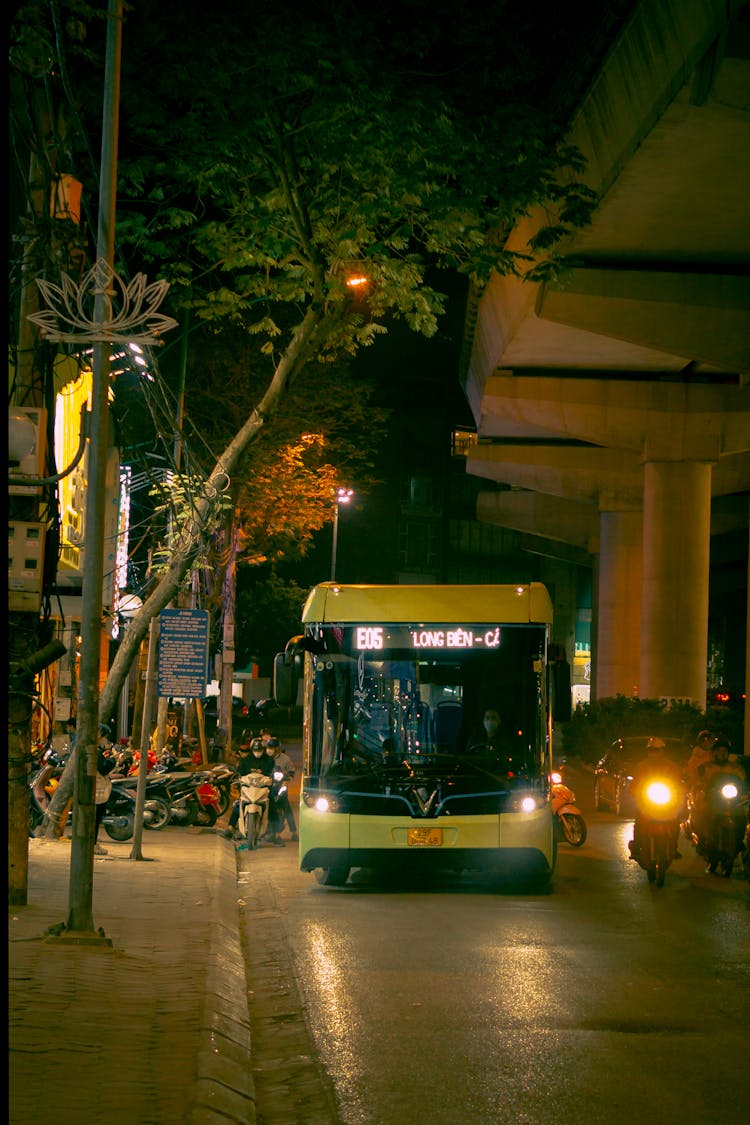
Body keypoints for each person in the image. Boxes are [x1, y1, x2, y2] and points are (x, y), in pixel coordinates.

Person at [628, 737, 684, 861]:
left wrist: (680, 791)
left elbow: (679, 783)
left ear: (663, 751)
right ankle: (637, 846)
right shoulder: (641, 767)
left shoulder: (671, 767)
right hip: (647, 802)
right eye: (651, 750)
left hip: (666, 802)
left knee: (675, 822)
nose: (654, 753)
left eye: (656, 750)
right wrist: (634, 791)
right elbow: (633, 785)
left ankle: (673, 847)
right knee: (639, 822)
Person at [221, 738, 283, 843]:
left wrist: (274, 779)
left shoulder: (269, 760)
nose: (257, 753)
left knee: (272, 805)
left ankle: (277, 834)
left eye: (259, 751)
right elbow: (240, 772)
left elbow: (273, 772)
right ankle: (230, 828)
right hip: (248, 789)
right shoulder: (246, 760)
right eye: (255, 750)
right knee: (238, 804)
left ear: (263, 750)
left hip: (263, 789)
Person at [94, 725, 118, 856]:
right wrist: (113, 760)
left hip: (98, 788)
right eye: (105, 737)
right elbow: (103, 768)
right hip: (98, 789)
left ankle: (93, 843)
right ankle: (92, 844)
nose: (105, 740)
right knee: (95, 818)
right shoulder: (95, 751)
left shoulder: (96, 751)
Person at [267, 737, 298, 841]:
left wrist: (288, 777)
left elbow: (291, 771)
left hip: (280, 786)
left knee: (287, 807)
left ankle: (294, 831)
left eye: (272, 747)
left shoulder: (285, 759)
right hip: (267, 786)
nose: (270, 749)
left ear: (277, 748)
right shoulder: (265, 758)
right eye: (268, 747)